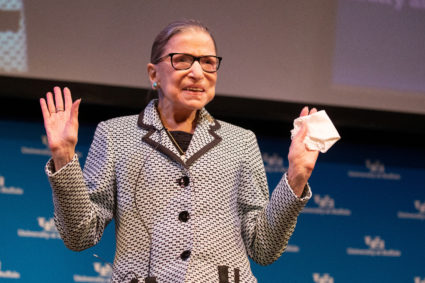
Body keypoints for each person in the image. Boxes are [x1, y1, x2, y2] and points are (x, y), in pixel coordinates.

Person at [40, 19, 318, 283]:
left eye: (208, 62)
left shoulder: (240, 142)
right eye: (182, 60)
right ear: (153, 74)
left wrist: (296, 176)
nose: (197, 72)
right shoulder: (115, 135)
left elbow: (264, 248)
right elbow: (80, 235)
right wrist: (64, 157)